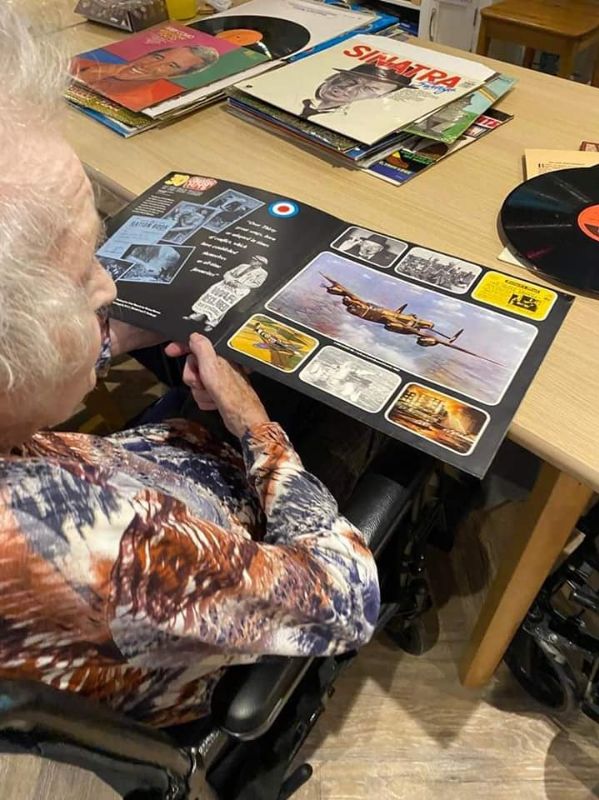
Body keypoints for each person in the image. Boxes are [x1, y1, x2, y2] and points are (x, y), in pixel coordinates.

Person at [0, 7, 379, 729]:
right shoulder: (108, 548)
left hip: (145, 469)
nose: (108, 286)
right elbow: (347, 599)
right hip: (208, 550)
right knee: (350, 405)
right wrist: (255, 425)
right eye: (83, 278)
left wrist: (101, 340)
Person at [71, 44, 219, 109]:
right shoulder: (85, 62)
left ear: (175, 76)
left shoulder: (136, 99)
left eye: (171, 66)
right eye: (158, 57)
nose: (149, 65)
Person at [300, 63, 413, 120]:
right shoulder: (299, 84)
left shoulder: (343, 121)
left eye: (368, 89)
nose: (348, 89)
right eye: (352, 80)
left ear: (378, 97)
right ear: (337, 76)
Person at [184, 255, 269, 330]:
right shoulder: (243, 266)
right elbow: (228, 273)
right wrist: (229, 280)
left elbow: (257, 284)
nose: (252, 261)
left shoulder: (262, 273)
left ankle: (211, 323)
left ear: (260, 263)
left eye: (255, 260)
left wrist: (239, 284)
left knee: (223, 305)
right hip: (225, 284)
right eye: (253, 259)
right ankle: (197, 316)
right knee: (209, 298)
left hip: (239, 290)